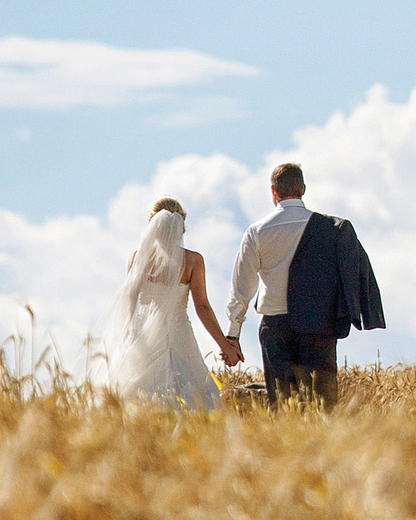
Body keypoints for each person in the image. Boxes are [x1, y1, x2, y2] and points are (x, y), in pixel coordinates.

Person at [225, 162, 383, 408]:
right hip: (318, 325)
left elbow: (241, 288)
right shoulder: (331, 229)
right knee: (322, 404)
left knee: (281, 404)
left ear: (273, 191)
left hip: (276, 325)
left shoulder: (257, 231)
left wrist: (232, 335)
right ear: (304, 189)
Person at [95, 197, 235, 409]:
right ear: (181, 226)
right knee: (196, 391)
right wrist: (225, 345)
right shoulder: (193, 261)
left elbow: (129, 300)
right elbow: (202, 307)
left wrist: (126, 335)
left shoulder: (137, 258)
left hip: (142, 334)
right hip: (179, 334)